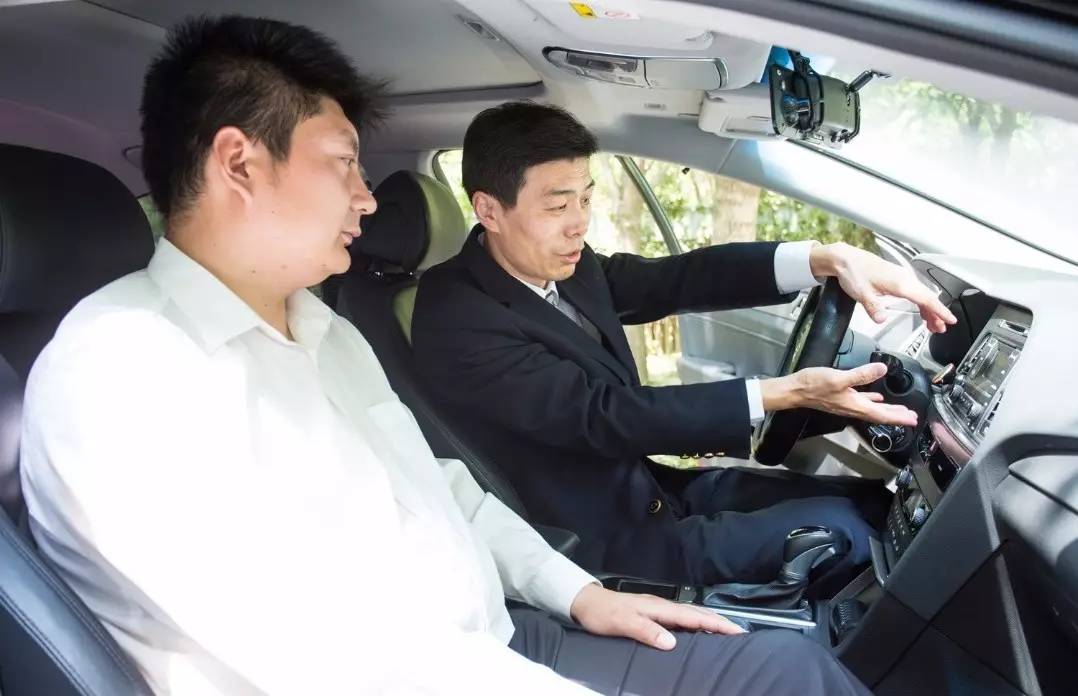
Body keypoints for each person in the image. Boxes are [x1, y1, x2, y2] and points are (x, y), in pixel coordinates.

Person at [18, 15, 872, 696]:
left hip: (501, 635)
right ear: (239, 163)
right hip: (438, 674)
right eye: (344, 166)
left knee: (787, 668)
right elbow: (328, 660)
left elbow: (443, 491)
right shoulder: (119, 372)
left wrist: (579, 594)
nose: (366, 199)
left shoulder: (326, 333)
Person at [412, 100, 957, 591]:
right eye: (557, 207)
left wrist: (822, 259)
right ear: (489, 210)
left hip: (653, 491)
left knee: (870, 502)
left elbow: (676, 279)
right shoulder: (455, 314)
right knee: (852, 537)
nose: (579, 224)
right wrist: (781, 393)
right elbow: (601, 416)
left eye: (586, 199)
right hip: (601, 542)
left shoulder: (564, 266)